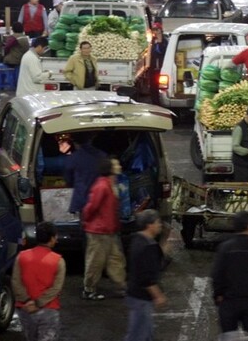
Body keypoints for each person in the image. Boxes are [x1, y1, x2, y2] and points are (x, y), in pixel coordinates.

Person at [212, 211, 248, 338]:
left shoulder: (225, 248)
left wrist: (218, 294)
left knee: (229, 336)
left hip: (229, 301)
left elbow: (217, 274)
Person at [81, 158, 127, 301]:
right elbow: (91, 207)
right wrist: (87, 221)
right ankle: (89, 290)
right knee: (96, 261)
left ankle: (122, 287)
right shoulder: (102, 186)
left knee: (116, 260)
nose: (119, 166)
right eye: (116, 164)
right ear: (110, 169)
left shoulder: (111, 183)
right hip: (98, 232)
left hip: (109, 230)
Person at [12, 222, 66, 341]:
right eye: (55, 237)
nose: (56, 240)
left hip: (25, 309)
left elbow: (16, 281)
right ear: (52, 238)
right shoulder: (58, 261)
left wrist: (27, 300)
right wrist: (37, 303)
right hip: (48, 310)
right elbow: (56, 288)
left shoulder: (21, 256)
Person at [125, 210, 166, 341]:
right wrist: (158, 295)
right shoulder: (148, 246)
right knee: (138, 335)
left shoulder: (137, 240)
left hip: (134, 294)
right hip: (141, 299)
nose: (160, 225)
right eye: (158, 222)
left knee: (145, 334)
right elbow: (147, 277)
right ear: (150, 225)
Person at [64, 132, 107, 215]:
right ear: (91, 140)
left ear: (75, 143)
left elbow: (68, 179)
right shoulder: (102, 156)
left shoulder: (73, 158)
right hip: (101, 198)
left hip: (83, 199)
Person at [149, 23, 167, 105]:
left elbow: (161, 51)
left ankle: (161, 103)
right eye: (154, 30)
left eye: (157, 30)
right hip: (152, 68)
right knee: (153, 87)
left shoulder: (164, 41)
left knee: (160, 86)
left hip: (160, 68)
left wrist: (159, 42)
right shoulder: (151, 41)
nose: (155, 32)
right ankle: (154, 102)